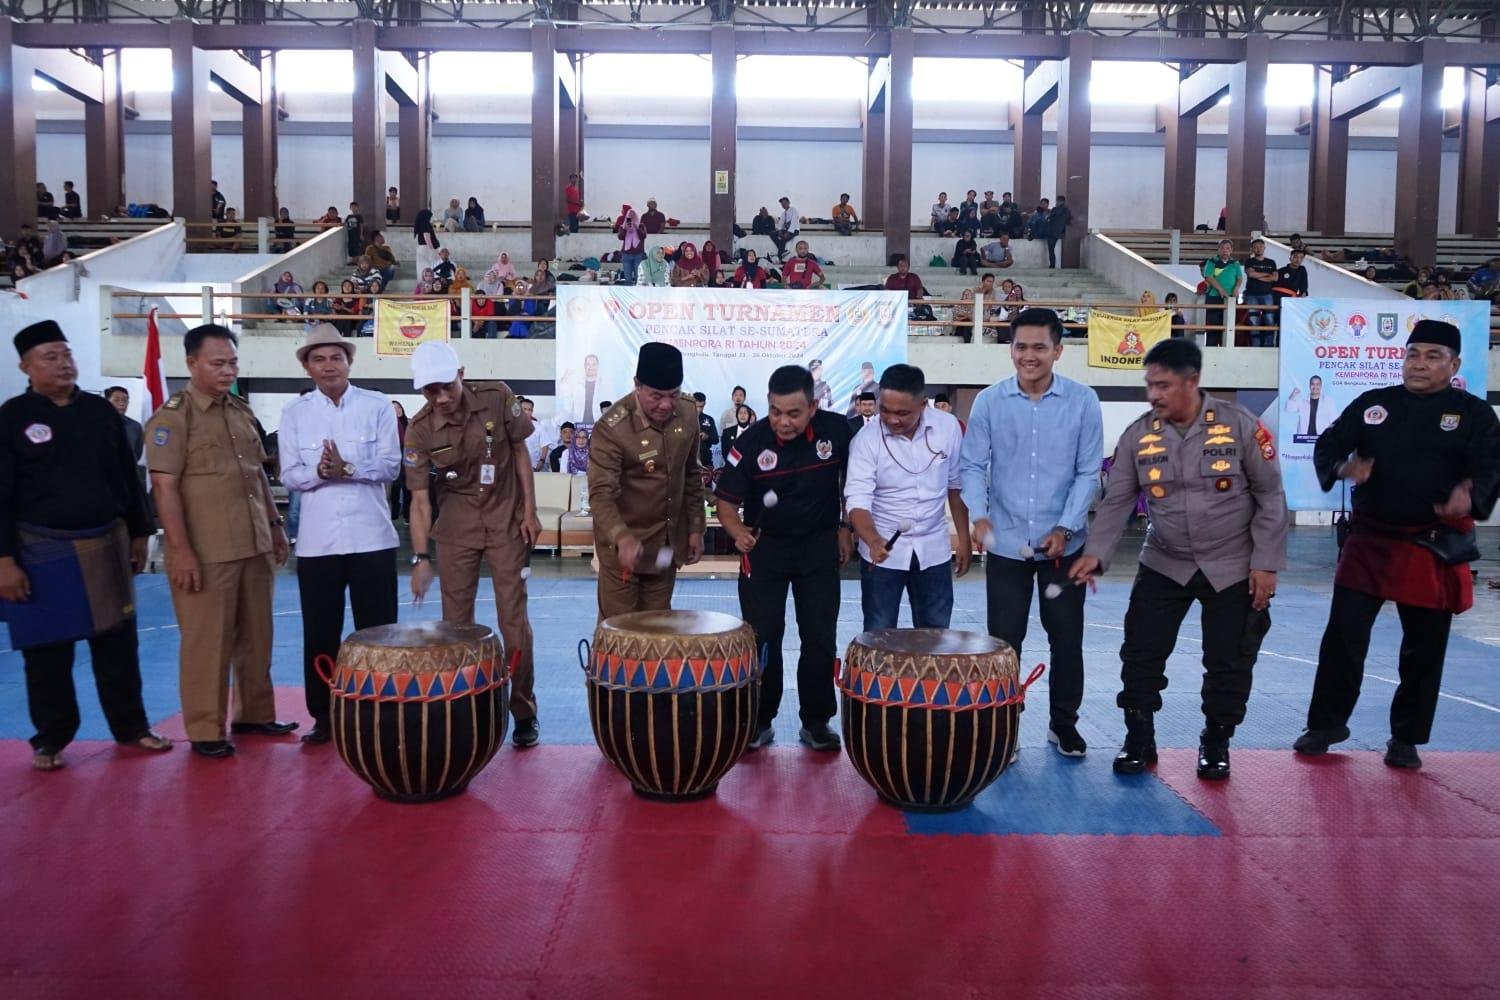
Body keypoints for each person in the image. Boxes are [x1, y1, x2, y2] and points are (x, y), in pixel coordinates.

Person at [1069, 338, 1287, 781]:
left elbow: (1270, 496)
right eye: (1150, 385)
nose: (1154, 395)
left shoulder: (1241, 426)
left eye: (1164, 385)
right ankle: (1139, 737)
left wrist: (1266, 563)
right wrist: (1096, 553)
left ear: (1193, 381)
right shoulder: (1139, 435)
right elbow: (1116, 502)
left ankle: (1216, 742)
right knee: (1141, 653)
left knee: (1229, 659)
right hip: (1164, 561)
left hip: (1233, 565)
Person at [1294, 321, 1500, 769]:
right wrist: (1343, 467)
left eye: (1432, 355)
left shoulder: (1475, 415)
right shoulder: (1374, 404)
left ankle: (1405, 738)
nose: (1419, 363)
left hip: (1430, 543)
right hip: (1369, 539)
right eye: (1412, 354)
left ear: (1454, 364)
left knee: (1423, 648)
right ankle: (1326, 724)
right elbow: (1328, 444)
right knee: (1343, 636)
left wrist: (1472, 492)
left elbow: (1490, 468)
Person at [0, 322, 170, 771]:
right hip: (40, 550)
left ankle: (131, 727)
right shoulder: (12, 417)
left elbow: (127, 479)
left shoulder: (100, 413)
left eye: (66, 354)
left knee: (117, 646)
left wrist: (140, 531)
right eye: (50, 356)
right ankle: (51, 739)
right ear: (26, 366)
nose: (63, 363)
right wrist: (3, 561)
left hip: (106, 543)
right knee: (47, 653)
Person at [145, 325, 297, 759]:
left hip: (253, 544)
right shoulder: (173, 419)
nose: (228, 370)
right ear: (191, 363)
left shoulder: (240, 412)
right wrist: (180, 551)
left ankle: (253, 713)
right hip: (206, 551)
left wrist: (274, 525)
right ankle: (206, 728)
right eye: (218, 363)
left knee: (257, 635)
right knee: (207, 642)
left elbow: (258, 476)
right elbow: (165, 489)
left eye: (232, 361)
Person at [961, 309, 1103, 757]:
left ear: (1058, 351)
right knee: (1004, 645)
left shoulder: (1083, 401)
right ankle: (1005, 729)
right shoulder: (988, 401)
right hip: (1005, 546)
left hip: (1064, 547)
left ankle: (1064, 725)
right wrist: (979, 516)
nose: (1029, 356)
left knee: (1066, 640)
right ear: (1011, 350)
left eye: (1040, 347)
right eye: (1021, 346)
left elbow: (1088, 472)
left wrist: (1066, 526)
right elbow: (970, 465)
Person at [404, 341, 543, 748]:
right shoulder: (420, 428)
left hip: (505, 519)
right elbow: (418, 499)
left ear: (461, 373)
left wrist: (529, 511)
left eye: (447, 386)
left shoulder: (497, 396)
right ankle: (464, 709)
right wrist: (420, 557)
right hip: (457, 528)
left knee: (513, 623)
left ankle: (523, 711)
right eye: (430, 391)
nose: (441, 398)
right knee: (456, 627)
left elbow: (520, 451)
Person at [715, 365, 854, 751]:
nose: (783, 421)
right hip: (766, 551)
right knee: (762, 638)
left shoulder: (837, 431)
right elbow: (725, 502)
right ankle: (759, 721)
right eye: (776, 411)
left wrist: (846, 526)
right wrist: (738, 532)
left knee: (820, 638)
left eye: (793, 413)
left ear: (813, 406)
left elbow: (854, 481)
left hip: (819, 548)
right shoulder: (753, 441)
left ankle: (816, 721)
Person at [276, 325, 401, 745]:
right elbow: (289, 474)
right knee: (320, 632)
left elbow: (390, 466)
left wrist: (348, 469)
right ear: (306, 366)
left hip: (373, 539)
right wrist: (319, 472)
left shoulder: (377, 405)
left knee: (379, 633)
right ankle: (324, 716)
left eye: (336, 357)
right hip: (317, 542)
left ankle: (382, 712)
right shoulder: (294, 414)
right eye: (319, 359)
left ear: (350, 362)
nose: (329, 366)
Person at [845, 364, 970, 630]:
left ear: (924, 404)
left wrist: (964, 539)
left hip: (934, 550)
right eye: (885, 410)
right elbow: (856, 501)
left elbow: (956, 487)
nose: (892, 419)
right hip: (883, 552)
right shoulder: (866, 440)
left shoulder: (948, 428)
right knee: (878, 634)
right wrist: (873, 539)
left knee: (935, 633)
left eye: (902, 413)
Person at [587, 342, 707, 618]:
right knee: (620, 635)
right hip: (622, 551)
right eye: (656, 396)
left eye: (673, 395)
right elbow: (601, 494)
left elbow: (691, 473)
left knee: (657, 632)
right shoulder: (613, 428)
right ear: (637, 385)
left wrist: (696, 527)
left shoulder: (688, 413)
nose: (666, 405)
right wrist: (622, 537)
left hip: (664, 544)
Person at [1201, 239, 1243, 347]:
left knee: (1229, 326)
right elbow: (1208, 277)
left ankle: (1228, 349)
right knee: (1213, 325)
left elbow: (1239, 278)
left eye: (1228, 248)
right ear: (1218, 249)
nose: (1225, 250)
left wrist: (1237, 288)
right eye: (1222, 248)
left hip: (1231, 298)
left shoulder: (1235, 263)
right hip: (1214, 297)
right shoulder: (1212, 261)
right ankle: (1212, 350)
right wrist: (1220, 290)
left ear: (1231, 250)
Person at [1241, 238, 1279, 344]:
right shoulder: (1249, 261)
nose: (1258, 249)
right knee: (1254, 321)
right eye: (1256, 247)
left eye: (1260, 246)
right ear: (1252, 249)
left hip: (1267, 295)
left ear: (1264, 248)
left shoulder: (1271, 262)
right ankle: (1255, 346)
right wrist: (1267, 274)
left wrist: (1258, 275)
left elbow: (1275, 278)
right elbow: (1251, 274)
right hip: (1251, 295)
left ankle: (1268, 346)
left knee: (1270, 320)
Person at [390, 400, 411, 519]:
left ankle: (407, 515)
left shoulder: (409, 423)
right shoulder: (390, 425)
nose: (397, 410)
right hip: (396, 459)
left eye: (398, 407)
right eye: (393, 408)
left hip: (408, 458)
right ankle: (394, 514)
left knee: (408, 487)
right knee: (396, 488)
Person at [692, 391, 718, 468]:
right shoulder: (683, 419)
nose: (699, 409)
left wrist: (707, 437)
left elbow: (716, 440)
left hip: (705, 459)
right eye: (696, 406)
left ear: (705, 403)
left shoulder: (709, 419)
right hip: (687, 460)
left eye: (701, 407)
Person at [773, 196, 800, 263]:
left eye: (784, 202)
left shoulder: (793, 210)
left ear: (788, 202)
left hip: (794, 230)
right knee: (772, 234)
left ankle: (780, 257)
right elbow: (780, 224)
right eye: (782, 203)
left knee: (783, 239)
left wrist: (788, 232)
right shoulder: (783, 214)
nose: (783, 204)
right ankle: (781, 249)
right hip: (786, 230)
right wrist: (779, 231)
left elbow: (793, 222)